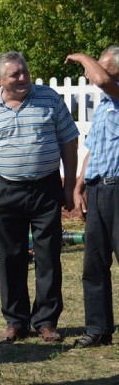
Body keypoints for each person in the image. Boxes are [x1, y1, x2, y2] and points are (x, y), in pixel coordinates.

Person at [0, 52, 78, 344]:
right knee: (10, 258)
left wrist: (69, 186)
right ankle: (15, 321)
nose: (22, 78)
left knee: (48, 258)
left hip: (46, 190)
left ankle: (46, 322)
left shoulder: (50, 99)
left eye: (24, 72)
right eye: (15, 75)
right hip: (7, 191)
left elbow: (70, 141)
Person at [66, 46, 119, 348]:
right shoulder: (104, 105)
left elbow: (99, 80)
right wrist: (79, 185)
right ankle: (99, 329)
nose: (92, 71)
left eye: (101, 65)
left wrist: (81, 57)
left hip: (118, 188)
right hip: (98, 188)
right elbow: (94, 147)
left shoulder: (116, 93)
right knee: (94, 264)